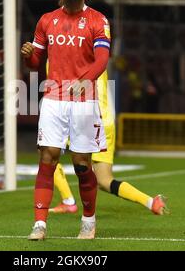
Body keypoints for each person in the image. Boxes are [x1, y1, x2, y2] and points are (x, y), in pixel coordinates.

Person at [21, 0, 110, 240]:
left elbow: (102, 60)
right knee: (47, 158)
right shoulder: (47, 20)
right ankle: (39, 224)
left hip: (84, 100)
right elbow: (36, 63)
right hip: (54, 99)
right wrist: (28, 57)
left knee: (83, 164)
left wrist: (82, 82)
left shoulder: (98, 20)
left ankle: (88, 220)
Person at [49, 70, 168, 216]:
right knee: (104, 181)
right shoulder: (99, 56)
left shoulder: (68, 55)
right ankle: (151, 202)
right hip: (104, 122)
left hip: (83, 121)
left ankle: (69, 202)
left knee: (46, 152)